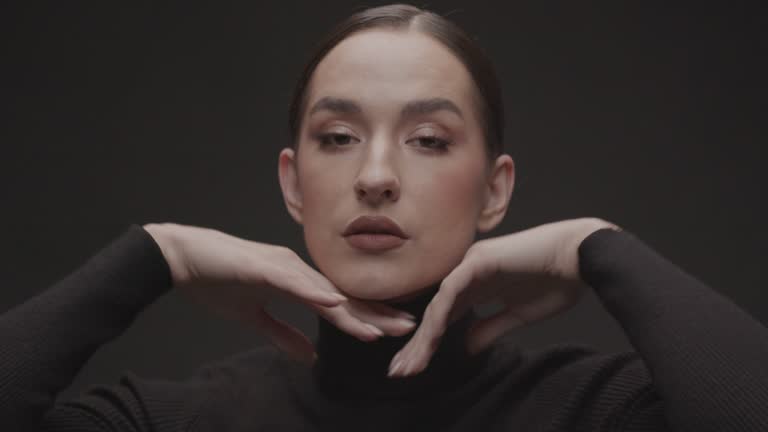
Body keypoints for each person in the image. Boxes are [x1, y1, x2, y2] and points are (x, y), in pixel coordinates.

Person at [2, 3, 767, 431]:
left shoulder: (597, 414)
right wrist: (152, 255)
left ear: (496, 191)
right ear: (293, 183)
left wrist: (597, 247)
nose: (374, 177)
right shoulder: (179, 421)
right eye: (337, 139)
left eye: (429, 141)